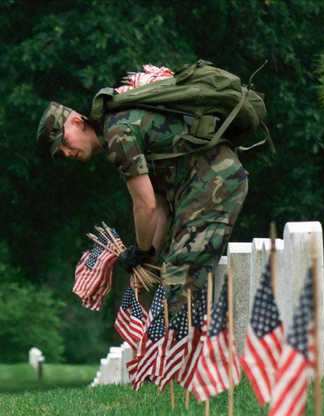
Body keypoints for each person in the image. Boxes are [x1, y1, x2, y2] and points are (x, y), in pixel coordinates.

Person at [36, 101, 248, 314]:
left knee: (179, 282)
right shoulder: (115, 134)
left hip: (214, 182)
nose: (65, 152)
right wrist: (148, 260)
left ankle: (183, 342)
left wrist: (140, 250)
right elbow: (160, 206)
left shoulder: (117, 133)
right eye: (59, 152)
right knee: (170, 277)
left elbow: (145, 205)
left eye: (63, 141)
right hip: (199, 189)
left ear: (77, 121)